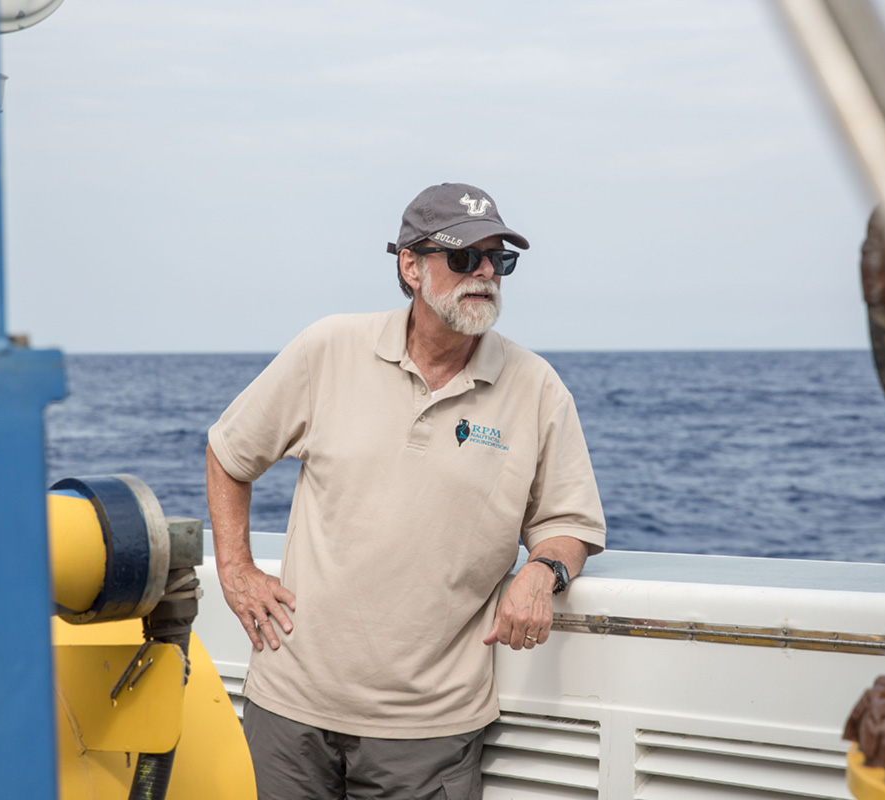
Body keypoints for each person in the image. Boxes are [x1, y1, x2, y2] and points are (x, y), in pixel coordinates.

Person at [206, 182, 605, 800]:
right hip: (289, 708)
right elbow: (229, 453)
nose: (485, 276)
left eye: (498, 260)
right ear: (411, 266)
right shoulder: (329, 347)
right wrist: (235, 569)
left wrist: (542, 572)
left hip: (429, 732)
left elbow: (570, 521)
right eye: (466, 258)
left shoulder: (537, 387)